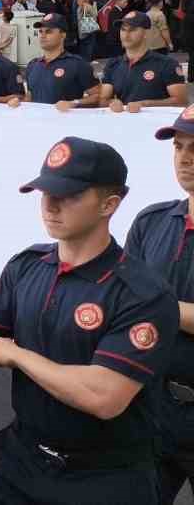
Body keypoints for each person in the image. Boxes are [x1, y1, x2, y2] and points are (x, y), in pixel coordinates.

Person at [0, 137, 178, 503]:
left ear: (109, 204)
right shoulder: (25, 268)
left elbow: (104, 396)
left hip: (104, 477)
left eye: (68, 195)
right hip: (21, 462)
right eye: (44, 193)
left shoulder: (142, 294)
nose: (50, 205)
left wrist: (18, 355)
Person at [128, 107, 194, 503]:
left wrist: (154, 305)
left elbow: (137, 303)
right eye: (179, 147)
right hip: (154, 410)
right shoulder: (152, 222)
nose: (184, 158)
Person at [102, 11, 188, 113]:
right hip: (122, 124)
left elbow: (181, 101)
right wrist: (112, 102)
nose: (126, 34)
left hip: (156, 124)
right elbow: (102, 100)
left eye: (133, 30)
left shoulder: (167, 64)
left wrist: (145, 104)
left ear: (146, 33)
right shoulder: (113, 64)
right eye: (123, 29)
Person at [24, 13, 101, 109]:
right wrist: (19, 104)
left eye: (48, 31)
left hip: (65, 122)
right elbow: (30, 96)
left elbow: (98, 96)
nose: (42, 36)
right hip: (37, 122)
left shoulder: (77, 64)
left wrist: (74, 103)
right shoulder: (32, 65)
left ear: (63, 35)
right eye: (40, 31)